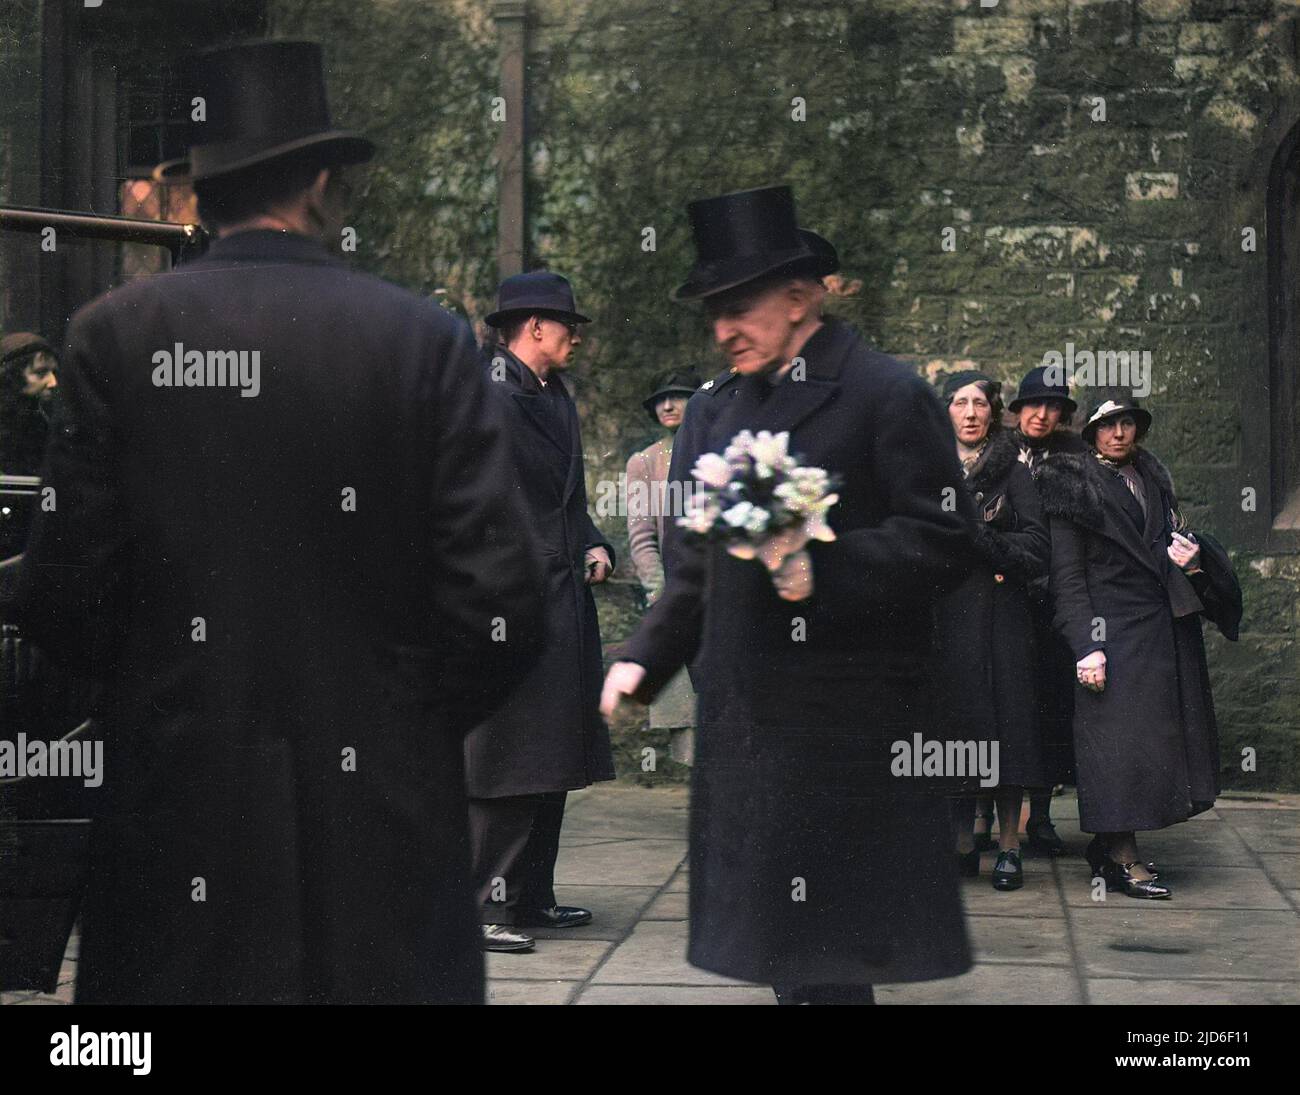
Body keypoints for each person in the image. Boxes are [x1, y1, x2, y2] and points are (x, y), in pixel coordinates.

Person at [16, 39, 544, 1003]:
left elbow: (60, 593)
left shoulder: (115, 338)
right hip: (383, 823)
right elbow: (503, 600)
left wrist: (162, 700)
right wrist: (399, 724)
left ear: (201, 192)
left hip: (179, 813)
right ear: (322, 182)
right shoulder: (419, 339)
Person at [601, 185, 977, 1004]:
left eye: (740, 307)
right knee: (782, 953)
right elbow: (695, 563)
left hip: (845, 732)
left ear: (802, 297)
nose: (723, 330)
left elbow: (948, 541)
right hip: (750, 730)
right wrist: (640, 660)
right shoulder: (712, 412)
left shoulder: (885, 392)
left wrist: (823, 567)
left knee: (829, 961)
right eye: (713, 313)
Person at [1036, 397, 1241, 898]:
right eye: (1107, 425)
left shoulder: (1152, 477)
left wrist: (1190, 562)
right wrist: (1086, 645)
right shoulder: (1072, 486)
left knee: (1149, 743)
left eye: (1127, 423)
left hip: (1163, 629)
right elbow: (1068, 578)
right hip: (1111, 634)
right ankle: (1122, 856)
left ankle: (1108, 849)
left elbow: (1166, 542)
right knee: (1116, 746)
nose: (1119, 434)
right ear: (1091, 433)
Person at [468, 271, 617, 953]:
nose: (575, 336)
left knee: (552, 755)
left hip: (561, 601)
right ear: (532, 327)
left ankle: (531, 897)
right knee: (506, 759)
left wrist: (592, 543)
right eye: (566, 325)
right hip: (506, 604)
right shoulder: (482, 395)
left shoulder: (555, 395)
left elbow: (569, 500)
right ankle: (485, 905)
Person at [935, 371, 1050, 891]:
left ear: (993, 411)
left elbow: (1037, 547)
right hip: (947, 617)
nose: (971, 413)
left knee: (1008, 730)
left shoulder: (1015, 473)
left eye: (980, 403)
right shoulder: (929, 472)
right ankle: (960, 842)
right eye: (960, 403)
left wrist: (985, 542)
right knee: (955, 726)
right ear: (947, 413)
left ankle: (1007, 845)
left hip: (1003, 616)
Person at [1006, 365, 1088, 857]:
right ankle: (991, 822)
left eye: (1053, 407)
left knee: (1052, 705)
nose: (1042, 414)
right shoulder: (997, 452)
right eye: (1034, 405)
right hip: (1009, 591)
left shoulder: (1077, 456)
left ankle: (1041, 819)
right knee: (1010, 704)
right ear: (1018, 410)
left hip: (1058, 595)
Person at [626, 369, 700, 764]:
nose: (668, 406)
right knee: (686, 711)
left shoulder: (716, 453)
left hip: (714, 593)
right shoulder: (645, 462)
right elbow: (641, 536)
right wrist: (660, 591)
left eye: (679, 397)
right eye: (661, 399)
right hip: (674, 595)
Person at [0, 332, 61, 477]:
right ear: (12, 375)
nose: (53, 382)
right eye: (40, 373)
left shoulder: (39, 418)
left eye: (53, 372)